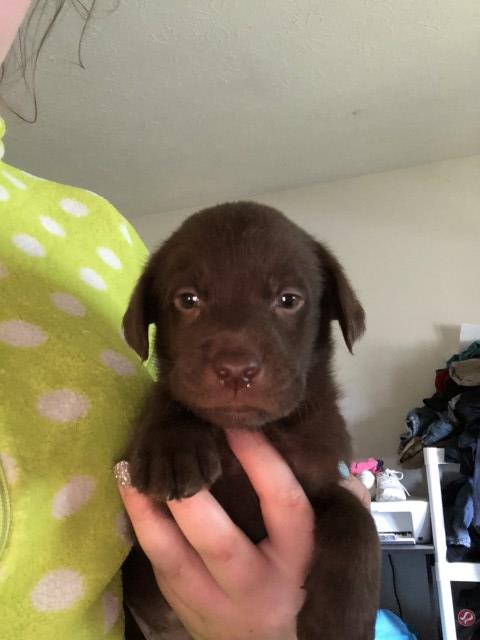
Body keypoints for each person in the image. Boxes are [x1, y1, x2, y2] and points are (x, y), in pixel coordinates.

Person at [0, 4, 373, 640]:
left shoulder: (96, 231)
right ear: (148, 323)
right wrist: (169, 421)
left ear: (331, 317)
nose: (235, 353)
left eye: (286, 301)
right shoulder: (165, 401)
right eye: (190, 301)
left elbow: (330, 506)